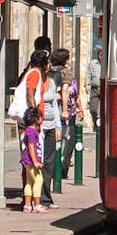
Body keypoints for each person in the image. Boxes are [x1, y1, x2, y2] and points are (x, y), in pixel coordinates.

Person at [51, 48, 88, 186]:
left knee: (58, 140)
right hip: (64, 111)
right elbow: (66, 91)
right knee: (67, 141)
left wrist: (80, 109)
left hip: (56, 109)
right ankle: (61, 171)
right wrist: (65, 110)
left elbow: (75, 94)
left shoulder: (50, 71)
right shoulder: (66, 72)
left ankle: (57, 169)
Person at [39, 50, 64, 207]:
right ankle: (34, 198)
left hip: (50, 126)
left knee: (49, 162)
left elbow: (55, 105)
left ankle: (46, 197)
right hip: (37, 126)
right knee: (37, 162)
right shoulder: (33, 80)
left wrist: (58, 127)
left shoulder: (51, 81)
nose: (48, 67)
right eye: (45, 64)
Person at [19, 107, 45, 213]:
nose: (42, 119)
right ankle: (37, 205)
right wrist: (35, 162)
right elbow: (31, 147)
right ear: (36, 119)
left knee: (29, 182)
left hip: (26, 161)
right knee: (38, 180)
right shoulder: (32, 132)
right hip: (31, 162)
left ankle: (27, 205)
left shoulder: (28, 131)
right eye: (41, 117)